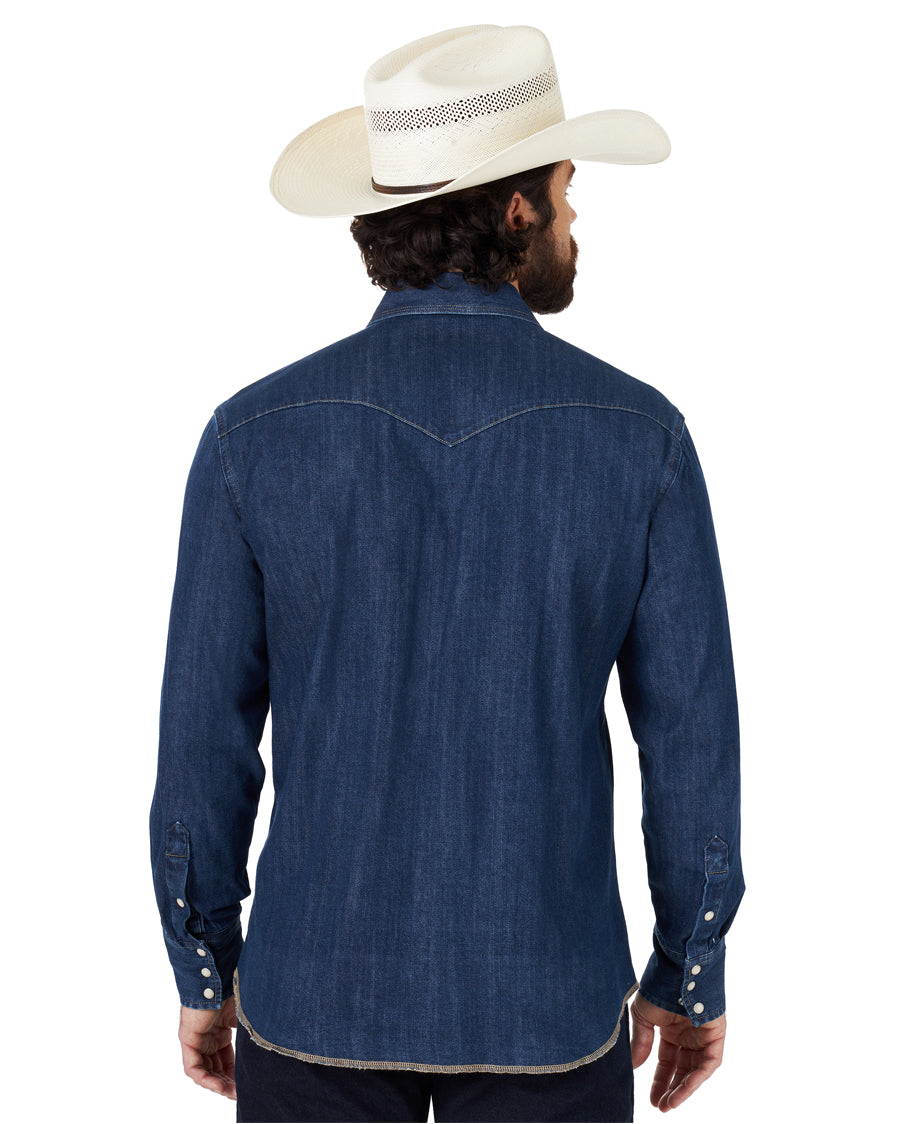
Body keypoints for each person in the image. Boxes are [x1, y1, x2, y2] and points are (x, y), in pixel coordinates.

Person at [149, 24, 745, 1123]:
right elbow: (690, 737)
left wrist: (203, 964)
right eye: (567, 194)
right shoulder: (640, 438)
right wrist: (688, 967)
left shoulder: (253, 437)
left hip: (312, 996)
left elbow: (201, 738)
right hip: (550, 1005)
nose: (575, 221)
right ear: (515, 211)